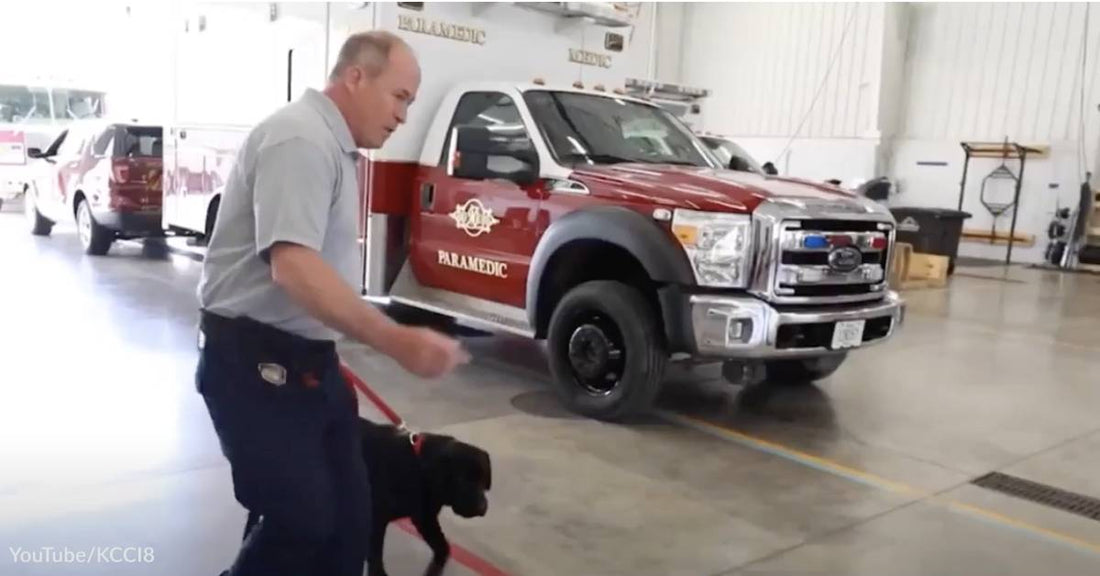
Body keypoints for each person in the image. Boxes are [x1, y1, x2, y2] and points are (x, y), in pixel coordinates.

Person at [194, 31, 469, 576]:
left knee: (347, 529)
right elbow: (293, 265)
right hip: (253, 366)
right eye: (400, 97)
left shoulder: (336, 148)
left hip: (308, 366)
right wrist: (396, 339)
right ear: (355, 77)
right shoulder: (299, 139)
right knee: (302, 524)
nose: (404, 117)